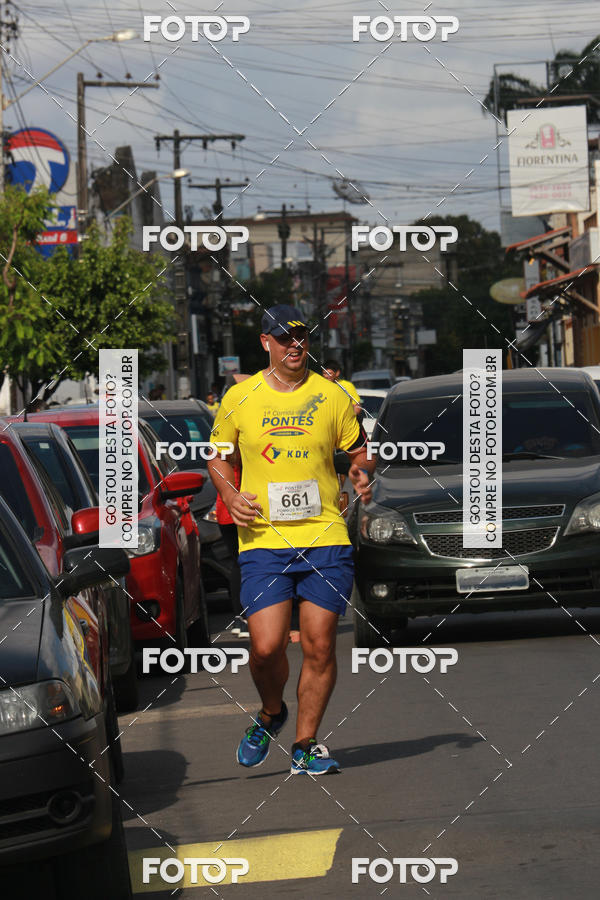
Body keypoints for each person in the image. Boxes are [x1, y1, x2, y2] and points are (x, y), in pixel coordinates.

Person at [207, 304, 374, 776]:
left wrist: (360, 475)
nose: (295, 345)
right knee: (266, 646)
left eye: (301, 337)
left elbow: (360, 452)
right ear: (266, 343)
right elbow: (218, 459)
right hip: (263, 539)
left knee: (320, 643)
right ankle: (270, 713)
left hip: (324, 534)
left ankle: (305, 743)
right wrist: (229, 492)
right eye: (284, 338)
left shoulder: (333, 395)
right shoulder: (241, 398)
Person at [215, 374, 250, 638]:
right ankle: (243, 617)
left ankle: (244, 617)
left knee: (243, 563)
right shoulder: (233, 428)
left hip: (233, 508)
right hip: (235, 506)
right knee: (243, 563)